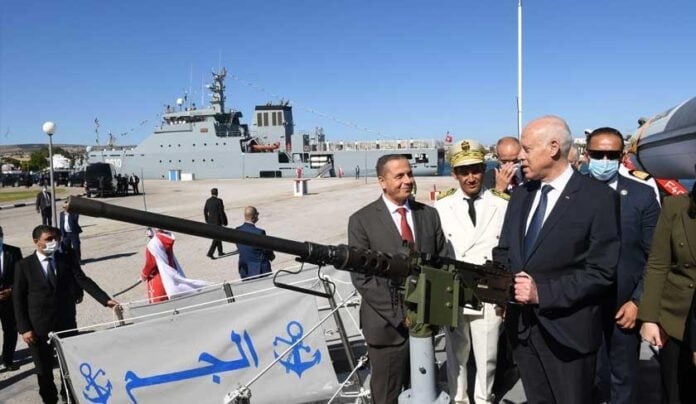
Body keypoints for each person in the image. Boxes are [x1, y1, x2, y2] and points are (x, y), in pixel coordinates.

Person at [492, 116, 620, 404]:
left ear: (552, 148)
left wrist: (542, 293)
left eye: (526, 148)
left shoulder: (596, 198)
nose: (520, 156)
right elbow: (504, 249)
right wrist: (500, 285)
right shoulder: (522, 194)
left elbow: (601, 271)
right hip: (523, 331)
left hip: (567, 335)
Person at [349, 154, 448, 404]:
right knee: (387, 395)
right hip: (387, 329)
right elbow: (363, 278)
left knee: (424, 393)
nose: (408, 181)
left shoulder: (429, 215)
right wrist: (401, 314)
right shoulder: (362, 221)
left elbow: (442, 262)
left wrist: (431, 310)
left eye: (410, 174)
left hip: (425, 326)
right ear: (382, 181)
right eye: (399, 176)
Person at [584, 127, 661, 404]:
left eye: (611, 154)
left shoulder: (642, 196)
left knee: (623, 375)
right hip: (579, 306)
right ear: (586, 154)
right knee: (583, 376)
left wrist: (638, 301)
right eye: (597, 154)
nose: (604, 160)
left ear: (621, 156)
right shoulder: (569, 195)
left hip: (624, 305)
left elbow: (654, 256)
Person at [435, 140, 509, 404]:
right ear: (454, 174)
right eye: (463, 171)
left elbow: (508, 251)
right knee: (457, 354)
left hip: (488, 291)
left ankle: (484, 398)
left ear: (483, 169)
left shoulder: (501, 203)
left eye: (476, 170)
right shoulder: (442, 206)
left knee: (488, 353)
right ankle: (459, 398)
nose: (470, 177)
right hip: (455, 290)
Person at [13, 225, 119, 404]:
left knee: (67, 366)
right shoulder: (24, 265)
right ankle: (49, 399)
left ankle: (68, 395)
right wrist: (24, 329)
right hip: (38, 327)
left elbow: (82, 280)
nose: (53, 243)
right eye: (48, 239)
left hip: (65, 321)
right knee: (44, 370)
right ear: (36, 241)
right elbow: (18, 299)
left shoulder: (66, 259)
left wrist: (105, 300)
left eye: (56, 238)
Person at [638, 185, 696, 403]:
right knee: (675, 391)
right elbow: (657, 264)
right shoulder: (675, 207)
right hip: (675, 320)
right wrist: (650, 318)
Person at [141, 228, 209, 303]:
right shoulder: (163, 239)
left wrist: (144, 275)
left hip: (158, 275)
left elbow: (150, 264)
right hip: (170, 268)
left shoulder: (153, 244)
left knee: (160, 300)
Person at [0, 226, 21, 372]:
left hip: (9, 300)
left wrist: (11, 290)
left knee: (10, 330)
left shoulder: (13, 252)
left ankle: (7, 359)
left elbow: (20, 277)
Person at [235, 207, 275, 279]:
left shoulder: (237, 230)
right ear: (254, 217)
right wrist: (271, 256)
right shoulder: (259, 232)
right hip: (259, 269)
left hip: (244, 269)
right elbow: (266, 249)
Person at [204, 188, 228, 259]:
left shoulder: (208, 201)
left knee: (218, 236)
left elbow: (205, 211)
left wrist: (207, 220)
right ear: (217, 193)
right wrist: (223, 221)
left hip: (210, 222)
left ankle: (220, 251)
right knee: (217, 237)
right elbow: (221, 212)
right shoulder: (219, 201)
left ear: (211, 193)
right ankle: (210, 253)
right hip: (218, 222)